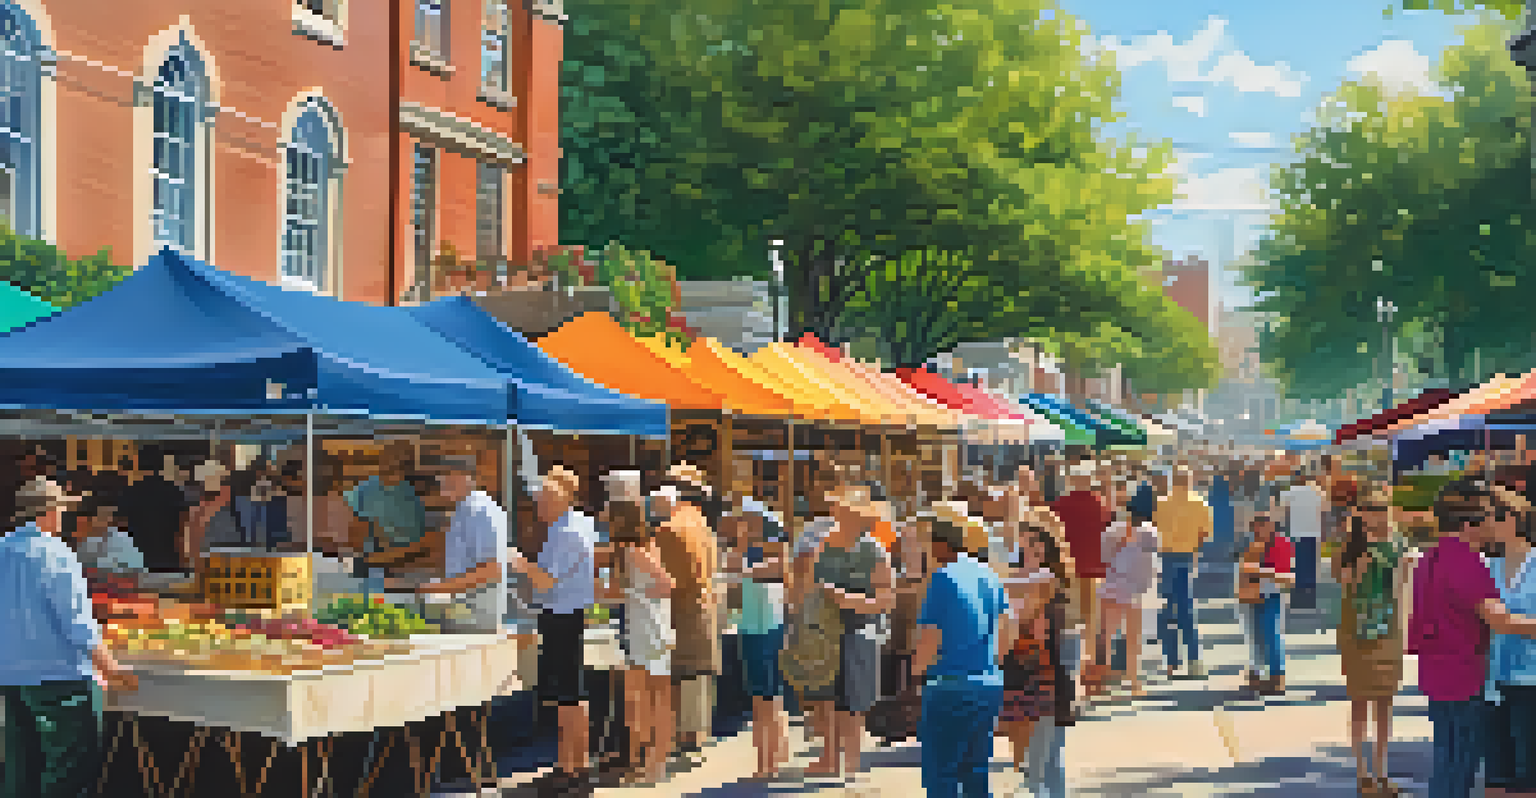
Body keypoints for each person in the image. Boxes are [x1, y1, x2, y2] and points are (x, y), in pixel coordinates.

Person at [1, 476, 138, 798]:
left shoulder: (4, 548)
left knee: (23, 768)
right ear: (49, 511)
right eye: (61, 509)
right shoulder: (54, 552)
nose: (64, 517)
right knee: (67, 772)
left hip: (13, 677)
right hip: (60, 678)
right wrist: (111, 668)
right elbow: (77, 623)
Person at [1410, 479, 1536, 798]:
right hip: (1467, 678)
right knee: (1460, 768)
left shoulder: (1430, 559)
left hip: (1442, 676)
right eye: (1483, 518)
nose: (1487, 527)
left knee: (1450, 763)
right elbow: (1501, 621)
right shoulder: (1467, 562)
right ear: (1468, 523)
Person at [792, 480, 895, 780]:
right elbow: (807, 587)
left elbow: (886, 597)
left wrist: (846, 599)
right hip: (825, 631)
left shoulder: (873, 549)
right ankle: (830, 760)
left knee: (854, 703)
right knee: (828, 699)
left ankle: (848, 765)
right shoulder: (824, 544)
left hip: (859, 631)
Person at [506, 464, 597, 796]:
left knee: (570, 694)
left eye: (548, 495)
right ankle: (568, 765)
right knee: (566, 695)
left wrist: (517, 561)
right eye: (541, 495)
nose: (540, 502)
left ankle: (576, 770)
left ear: (564, 498)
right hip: (561, 613)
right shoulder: (573, 526)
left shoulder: (567, 532)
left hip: (563, 615)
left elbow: (546, 579)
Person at [913, 502, 1011, 798]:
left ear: (938, 545)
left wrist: (915, 673)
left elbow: (930, 638)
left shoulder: (941, 578)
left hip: (948, 685)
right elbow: (1007, 628)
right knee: (976, 770)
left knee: (941, 773)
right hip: (987, 683)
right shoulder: (989, 574)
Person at [1333, 487, 1406, 797]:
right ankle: (1363, 773)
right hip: (1356, 631)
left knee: (1385, 703)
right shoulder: (1350, 546)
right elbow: (1342, 579)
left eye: (1380, 508)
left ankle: (1382, 771)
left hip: (1388, 629)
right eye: (1370, 508)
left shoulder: (1397, 546)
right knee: (1360, 702)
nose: (1376, 514)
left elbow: (1402, 588)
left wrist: (1404, 630)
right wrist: (1359, 563)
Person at [998, 507, 1075, 797]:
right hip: (1015, 661)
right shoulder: (1017, 574)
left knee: (1047, 747)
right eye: (1025, 541)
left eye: (1035, 542)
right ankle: (1032, 787)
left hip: (1043, 665)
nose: (1029, 547)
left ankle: (1046, 791)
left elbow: (1022, 593)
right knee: (1022, 742)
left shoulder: (1048, 576)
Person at [650, 463, 722, 769]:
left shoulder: (669, 528)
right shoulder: (703, 525)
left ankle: (685, 741)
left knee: (682, 676)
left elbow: (664, 577)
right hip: (704, 609)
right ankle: (696, 739)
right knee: (697, 678)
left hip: (681, 611)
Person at [601, 499, 675, 786]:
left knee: (650, 699)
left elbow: (666, 584)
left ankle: (651, 765)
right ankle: (648, 763)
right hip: (644, 631)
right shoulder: (639, 549)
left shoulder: (634, 552)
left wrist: (633, 593)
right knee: (646, 700)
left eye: (608, 520)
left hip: (648, 632)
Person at [721, 497, 789, 780]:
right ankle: (773, 758)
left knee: (766, 699)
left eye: (744, 521)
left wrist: (743, 567)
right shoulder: (742, 552)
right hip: (752, 628)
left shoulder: (771, 553)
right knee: (764, 698)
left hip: (766, 629)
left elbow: (772, 572)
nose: (739, 525)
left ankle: (767, 764)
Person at [1484, 486, 1536, 798]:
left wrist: (1509, 623)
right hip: (1492, 682)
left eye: (1492, 517)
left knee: (1527, 780)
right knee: (1495, 780)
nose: (1486, 525)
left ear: (1514, 520)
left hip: (1530, 682)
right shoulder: (1490, 567)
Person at [1050, 467, 1111, 693]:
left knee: (1072, 622)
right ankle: (1092, 671)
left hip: (1070, 570)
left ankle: (1073, 671)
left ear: (1072, 481)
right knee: (1092, 623)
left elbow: (1054, 534)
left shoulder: (1060, 505)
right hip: (1096, 570)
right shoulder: (1102, 505)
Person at [1099, 486, 1160, 697]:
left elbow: (1104, 556)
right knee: (1133, 638)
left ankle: (1103, 682)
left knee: (1106, 636)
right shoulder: (1149, 531)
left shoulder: (1113, 530)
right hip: (1135, 590)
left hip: (1112, 585)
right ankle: (1134, 683)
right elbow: (1152, 562)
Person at [1156, 467, 1212, 679]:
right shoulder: (1200, 503)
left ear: (1172, 481)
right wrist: (1195, 548)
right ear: (1190, 480)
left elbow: (1154, 530)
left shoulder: (1160, 504)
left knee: (1167, 609)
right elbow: (1205, 533)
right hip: (1187, 557)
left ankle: (1170, 662)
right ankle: (1194, 661)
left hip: (1165, 558)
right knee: (1187, 609)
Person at [345, 441, 431, 576]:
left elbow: (414, 545)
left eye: (395, 464)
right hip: (368, 557)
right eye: (384, 461)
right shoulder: (365, 488)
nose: (385, 467)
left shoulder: (413, 498)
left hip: (393, 562)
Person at [1239, 513, 1294, 696]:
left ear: (1271, 525)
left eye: (1263, 525)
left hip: (1271, 595)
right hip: (1254, 596)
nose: (1259, 529)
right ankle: (1257, 676)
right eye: (1256, 525)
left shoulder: (1281, 544)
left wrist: (1260, 571)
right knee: (1255, 637)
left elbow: (1289, 577)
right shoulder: (1253, 544)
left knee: (1272, 636)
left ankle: (1277, 679)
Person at [1281, 468, 1326, 610]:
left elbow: (1284, 512)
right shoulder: (1317, 492)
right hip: (1312, 532)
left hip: (1298, 532)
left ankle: (1299, 597)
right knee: (1311, 566)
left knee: (1299, 565)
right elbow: (1323, 512)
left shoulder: (1289, 493)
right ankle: (1310, 598)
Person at [70, 498, 145, 576]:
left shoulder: (121, 538)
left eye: (110, 515)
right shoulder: (84, 541)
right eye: (103, 515)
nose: (108, 520)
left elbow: (137, 565)